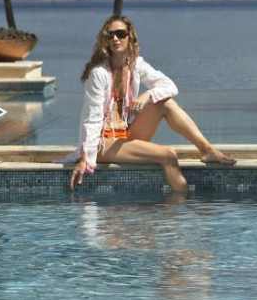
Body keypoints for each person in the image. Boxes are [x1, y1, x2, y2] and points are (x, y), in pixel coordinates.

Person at [67, 16, 235, 192]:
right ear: (105, 40)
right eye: (110, 35)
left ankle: (206, 149)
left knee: (165, 103)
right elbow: (91, 119)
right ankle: (179, 210)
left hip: (126, 135)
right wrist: (85, 157)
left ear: (130, 37)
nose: (115, 39)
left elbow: (170, 86)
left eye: (120, 34)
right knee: (168, 155)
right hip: (104, 144)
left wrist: (147, 94)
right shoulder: (98, 73)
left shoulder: (136, 64)